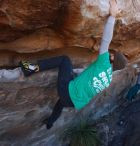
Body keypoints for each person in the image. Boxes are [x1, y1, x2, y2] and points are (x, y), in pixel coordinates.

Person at [19, 0, 119, 129]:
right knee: (61, 103)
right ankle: (50, 122)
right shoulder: (109, 79)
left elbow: (106, 40)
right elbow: (89, 82)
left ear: (112, 59)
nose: (111, 53)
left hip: (66, 91)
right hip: (73, 102)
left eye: (113, 55)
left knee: (65, 60)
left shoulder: (104, 62)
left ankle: (31, 68)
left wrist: (112, 16)